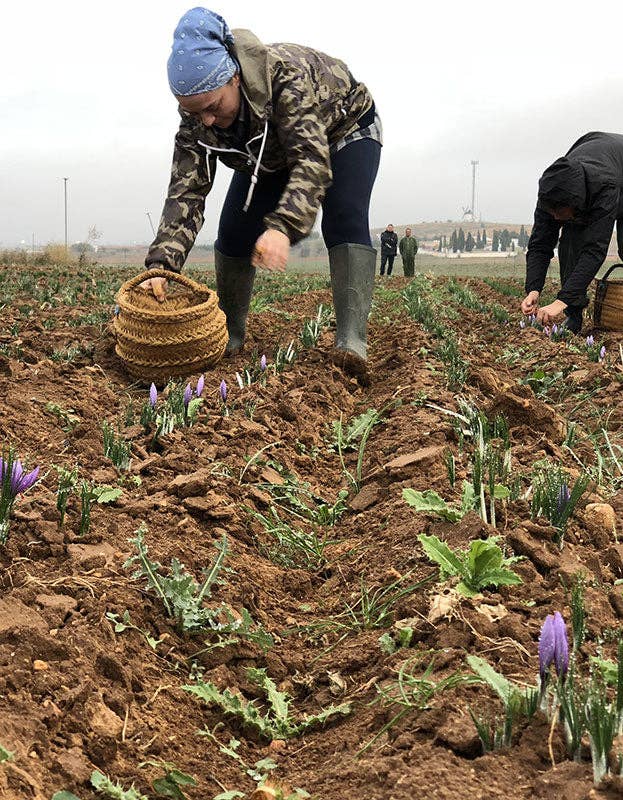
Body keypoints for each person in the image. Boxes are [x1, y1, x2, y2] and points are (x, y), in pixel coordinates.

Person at [142, 7, 382, 383]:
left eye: (212, 107)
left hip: (342, 131)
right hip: (268, 153)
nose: (205, 120)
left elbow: (310, 160)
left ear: (234, 77)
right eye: (193, 112)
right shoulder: (196, 119)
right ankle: (229, 336)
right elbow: (186, 191)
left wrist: (283, 227)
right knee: (236, 231)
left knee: (345, 217)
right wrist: (162, 264)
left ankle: (351, 342)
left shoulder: (286, 78)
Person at [521, 131, 623, 332]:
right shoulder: (552, 192)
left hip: (617, 172)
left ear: (576, 201)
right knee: (569, 244)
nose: (556, 218)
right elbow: (540, 245)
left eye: (560, 212)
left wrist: (561, 301)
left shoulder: (604, 187)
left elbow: (594, 250)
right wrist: (533, 288)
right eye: (552, 212)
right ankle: (574, 315)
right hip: (595, 157)